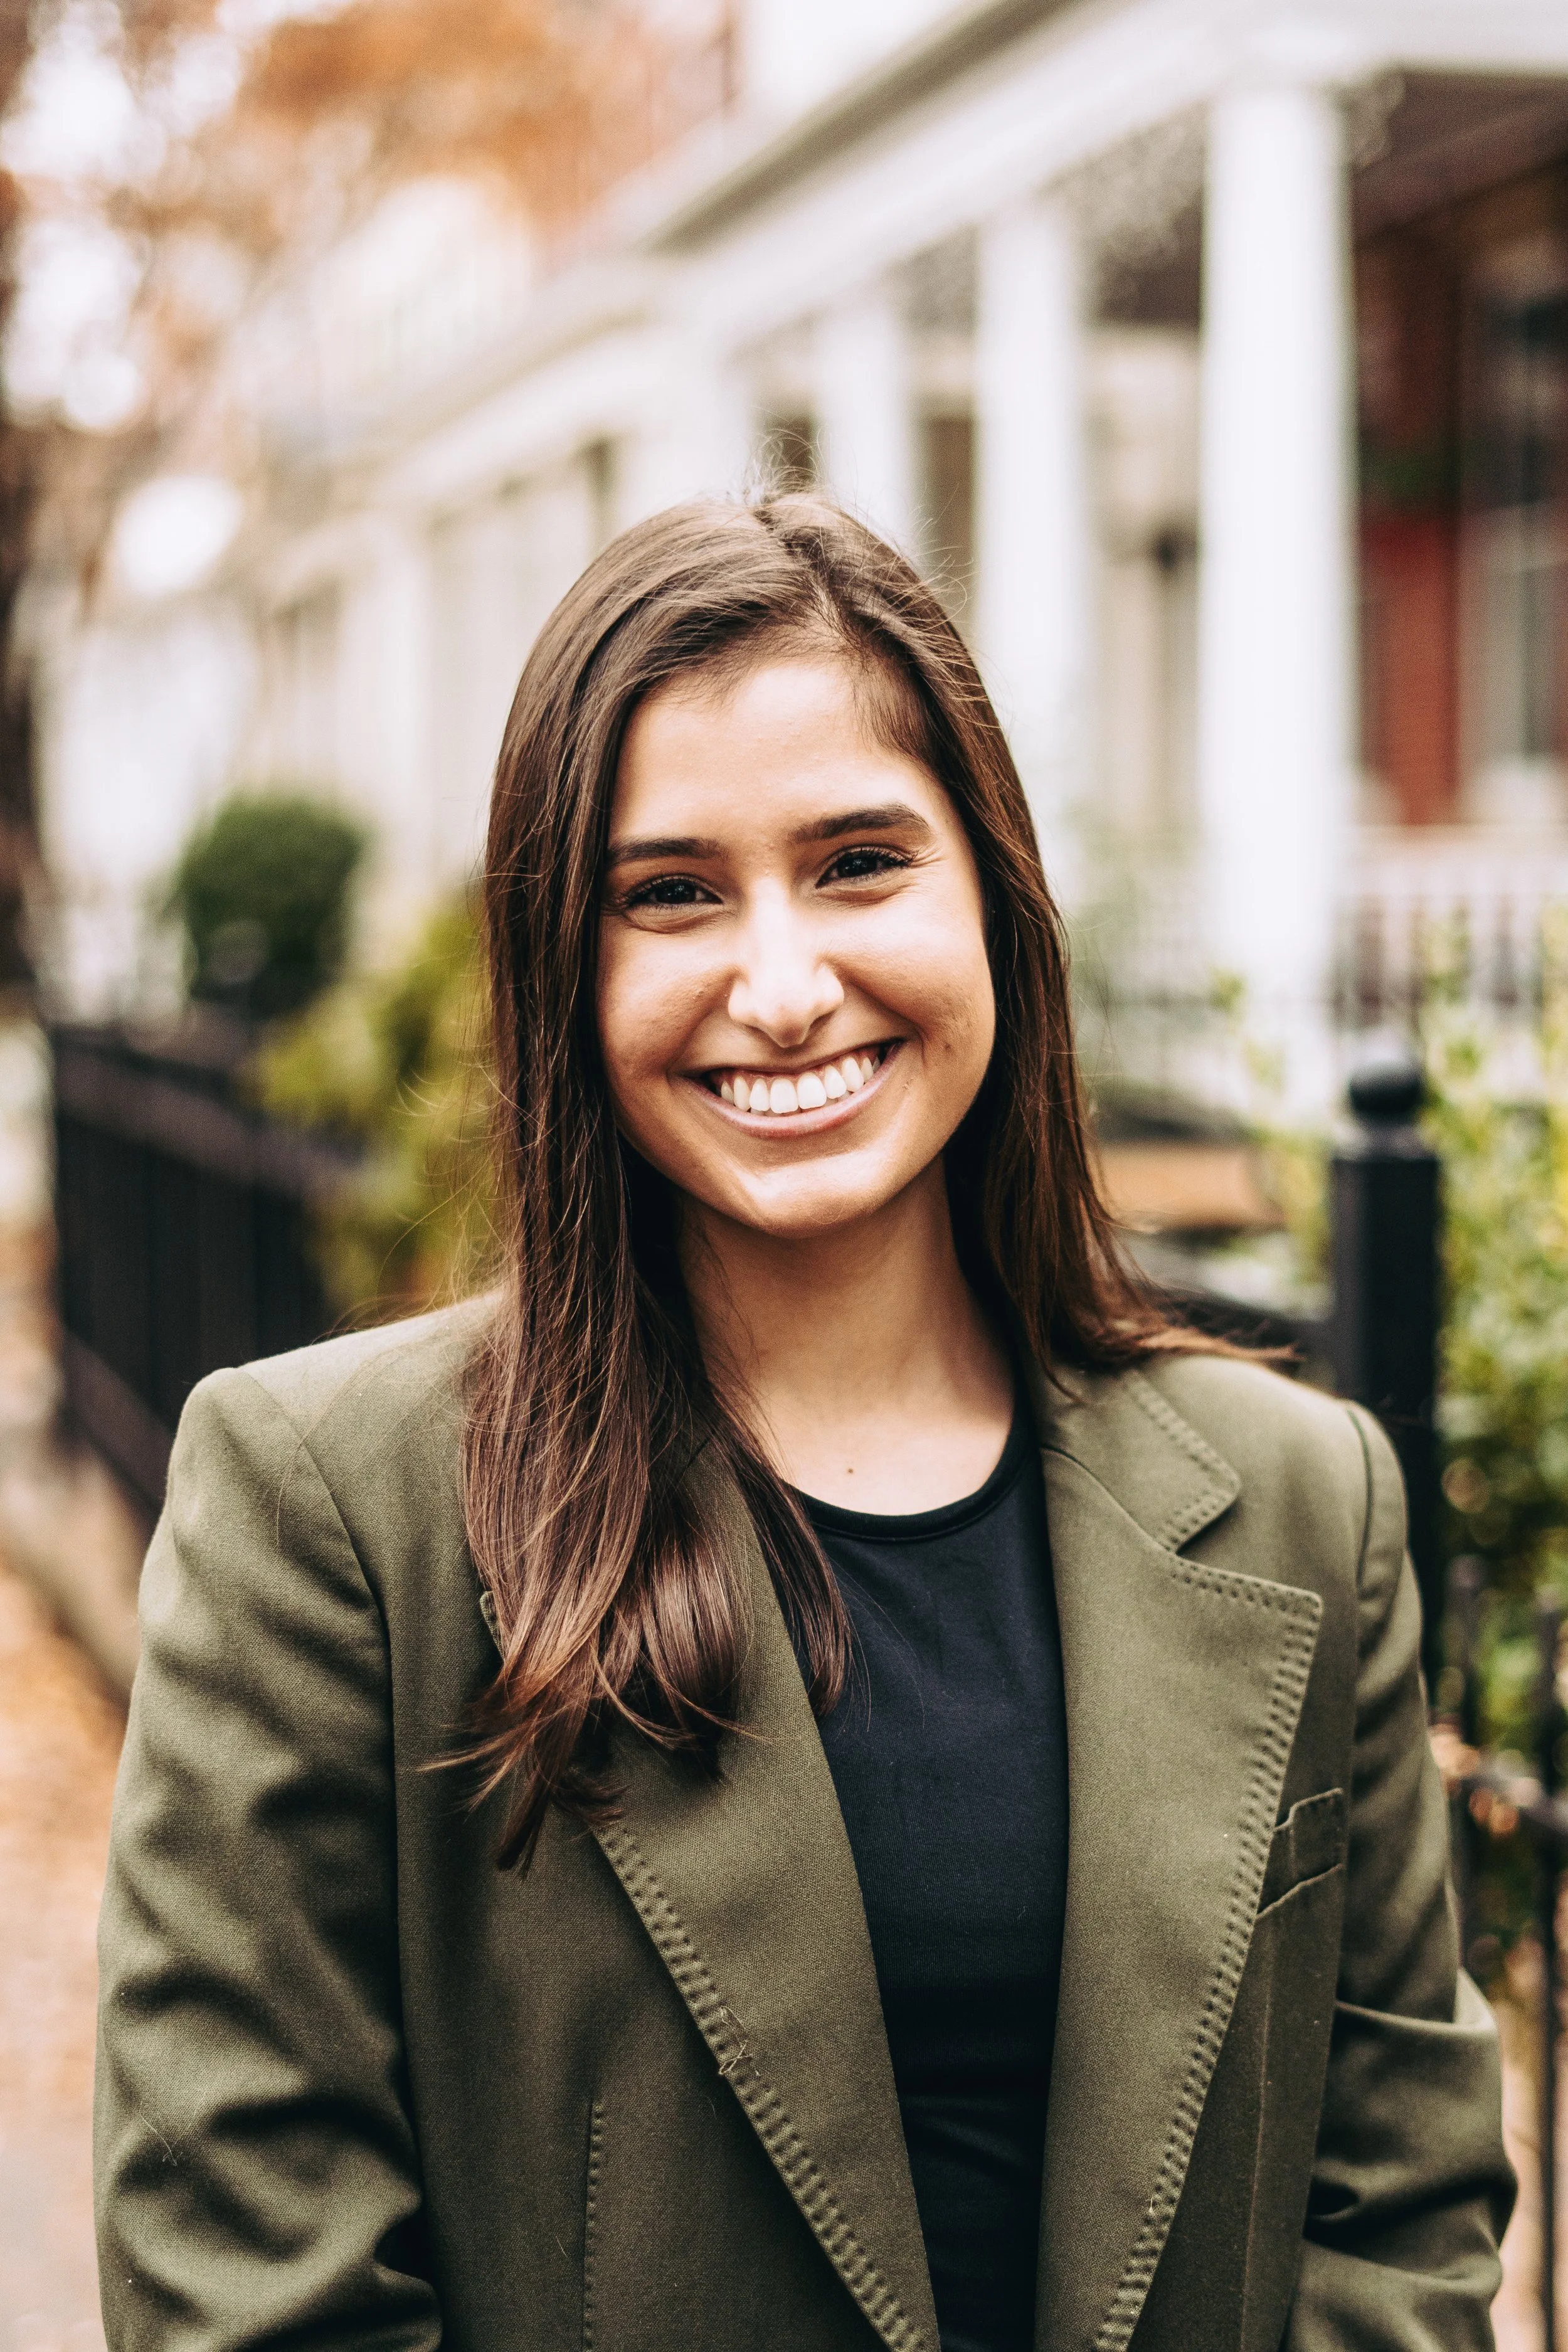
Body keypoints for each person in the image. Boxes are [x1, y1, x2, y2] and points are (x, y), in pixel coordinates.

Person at [96, 496, 1512, 2352]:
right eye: (670, 890)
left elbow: (1397, 2202)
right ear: (564, 964)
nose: (781, 984)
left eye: (857, 861)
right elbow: (243, 2273)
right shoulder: (329, 1511)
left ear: (990, 895)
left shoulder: (1293, 1498)